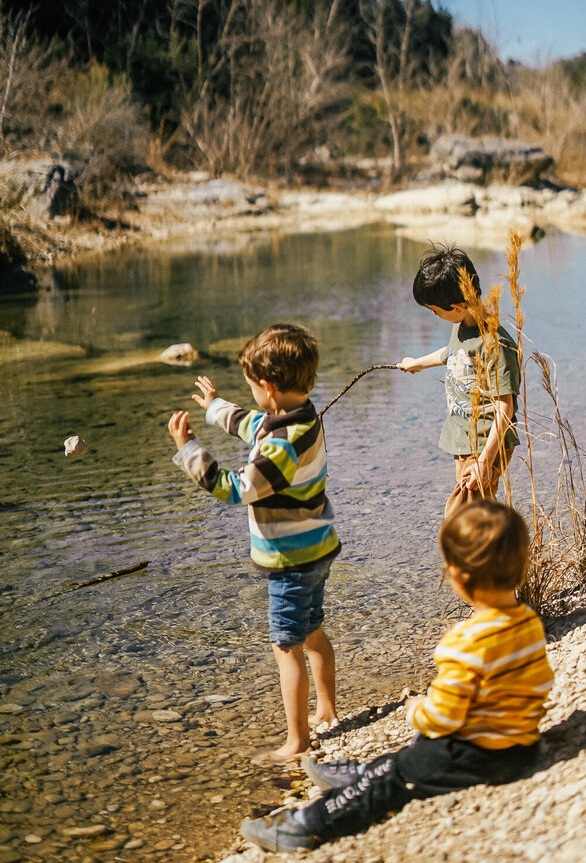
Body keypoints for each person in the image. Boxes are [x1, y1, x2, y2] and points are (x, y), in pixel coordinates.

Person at [240, 499, 552, 852]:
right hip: (521, 745)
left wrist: (417, 710)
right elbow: (540, 683)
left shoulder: (464, 644)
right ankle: (363, 773)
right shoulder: (528, 622)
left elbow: (443, 720)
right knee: (414, 758)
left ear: (457, 577)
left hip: (478, 757)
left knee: (395, 777)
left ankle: (306, 825)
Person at [167, 323, 340, 762]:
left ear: (268, 386)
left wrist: (189, 449)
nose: (254, 396)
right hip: (317, 547)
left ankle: (297, 741)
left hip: (290, 559)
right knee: (313, 629)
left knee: (287, 645)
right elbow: (253, 422)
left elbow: (234, 488)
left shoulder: (281, 446)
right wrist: (215, 407)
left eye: (252, 387)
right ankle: (328, 710)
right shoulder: (303, 415)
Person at [398, 245, 521, 516]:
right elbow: (454, 353)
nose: (434, 315)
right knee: (474, 512)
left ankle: (490, 556)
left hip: (484, 443)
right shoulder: (464, 325)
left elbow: (505, 407)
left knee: (468, 516)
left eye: (435, 311)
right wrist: (419, 363)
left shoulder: (495, 344)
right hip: (465, 440)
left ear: (457, 306)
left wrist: (485, 460)